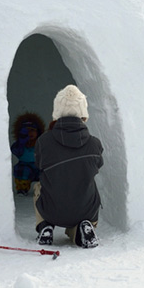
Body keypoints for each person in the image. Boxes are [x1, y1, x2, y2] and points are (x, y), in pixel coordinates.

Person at [34, 85, 104, 248]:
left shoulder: (43, 142)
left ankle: (45, 226)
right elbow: (97, 166)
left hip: (52, 210)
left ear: (57, 112)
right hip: (85, 209)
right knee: (89, 184)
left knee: (38, 186)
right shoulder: (94, 144)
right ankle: (82, 228)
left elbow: (39, 166)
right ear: (83, 113)